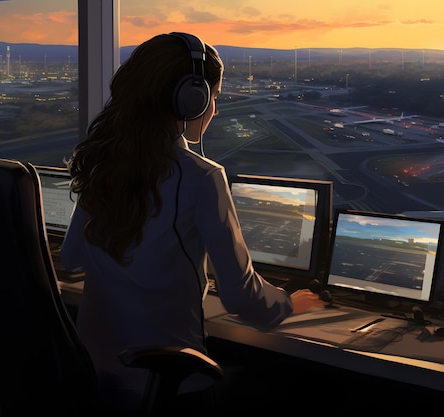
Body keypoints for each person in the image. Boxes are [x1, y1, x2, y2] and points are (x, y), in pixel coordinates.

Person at [61, 32, 328, 412]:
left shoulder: (105, 166)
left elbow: (71, 256)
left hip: (94, 379)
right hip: (168, 387)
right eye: (213, 97)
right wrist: (288, 303)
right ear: (191, 99)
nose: (215, 109)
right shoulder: (202, 177)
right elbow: (241, 298)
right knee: (296, 385)